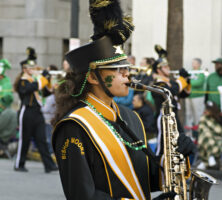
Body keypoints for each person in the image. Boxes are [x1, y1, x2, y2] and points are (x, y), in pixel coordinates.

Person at [52, 1, 195, 199]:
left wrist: (174, 161)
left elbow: (142, 178)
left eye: (127, 68)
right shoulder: (74, 126)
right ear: (93, 77)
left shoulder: (131, 117)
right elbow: (81, 195)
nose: (127, 75)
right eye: (118, 70)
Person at [13, 58, 58, 173]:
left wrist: (48, 78)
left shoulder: (35, 80)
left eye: (33, 68)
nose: (33, 70)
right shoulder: (22, 81)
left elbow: (46, 93)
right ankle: (19, 164)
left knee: (42, 139)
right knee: (25, 139)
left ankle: (49, 165)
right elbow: (30, 88)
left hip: (37, 112)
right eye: (30, 68)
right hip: (26, 111)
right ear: (24, 69)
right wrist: (42, 77)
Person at [151, 46, 192, 156]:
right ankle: (157, 169)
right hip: (163, 117)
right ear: (159, 70)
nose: (169, 68)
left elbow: (184, 94)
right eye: (165, 66)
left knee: (180, 144)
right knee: (163, 147)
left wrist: (187, 80)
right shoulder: (158, 83)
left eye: (168, 65)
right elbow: (170, 92)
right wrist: (181, 80)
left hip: (174, 117)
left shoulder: (170, 82)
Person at [197, 101, 222, 170]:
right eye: (206, 108)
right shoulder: (204, 118)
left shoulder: (219, 118)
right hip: (206, 137)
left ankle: (207, 160)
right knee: (205, 134)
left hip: (217, 137)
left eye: (208, 109)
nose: (206, 111)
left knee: (205, 136)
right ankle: (210, 156)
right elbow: (201, 128)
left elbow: (219, 131)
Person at [0, 59, 17, 146]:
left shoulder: (6, 82)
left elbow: (8, 98)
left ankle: (3, 140)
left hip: (3, 111)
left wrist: (6, 97)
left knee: (12, 114)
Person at [185, 58, 206, 128]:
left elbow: (198, 83)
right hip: (188, 96)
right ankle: (189, 133)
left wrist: (188, 83)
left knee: (197, 114)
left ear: (199, 64)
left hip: (197, 97)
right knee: (188, 114)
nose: (193, 64)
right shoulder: (190, 72)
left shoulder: (201, 72)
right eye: (192, 62)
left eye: (195, 63)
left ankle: (198, 131)